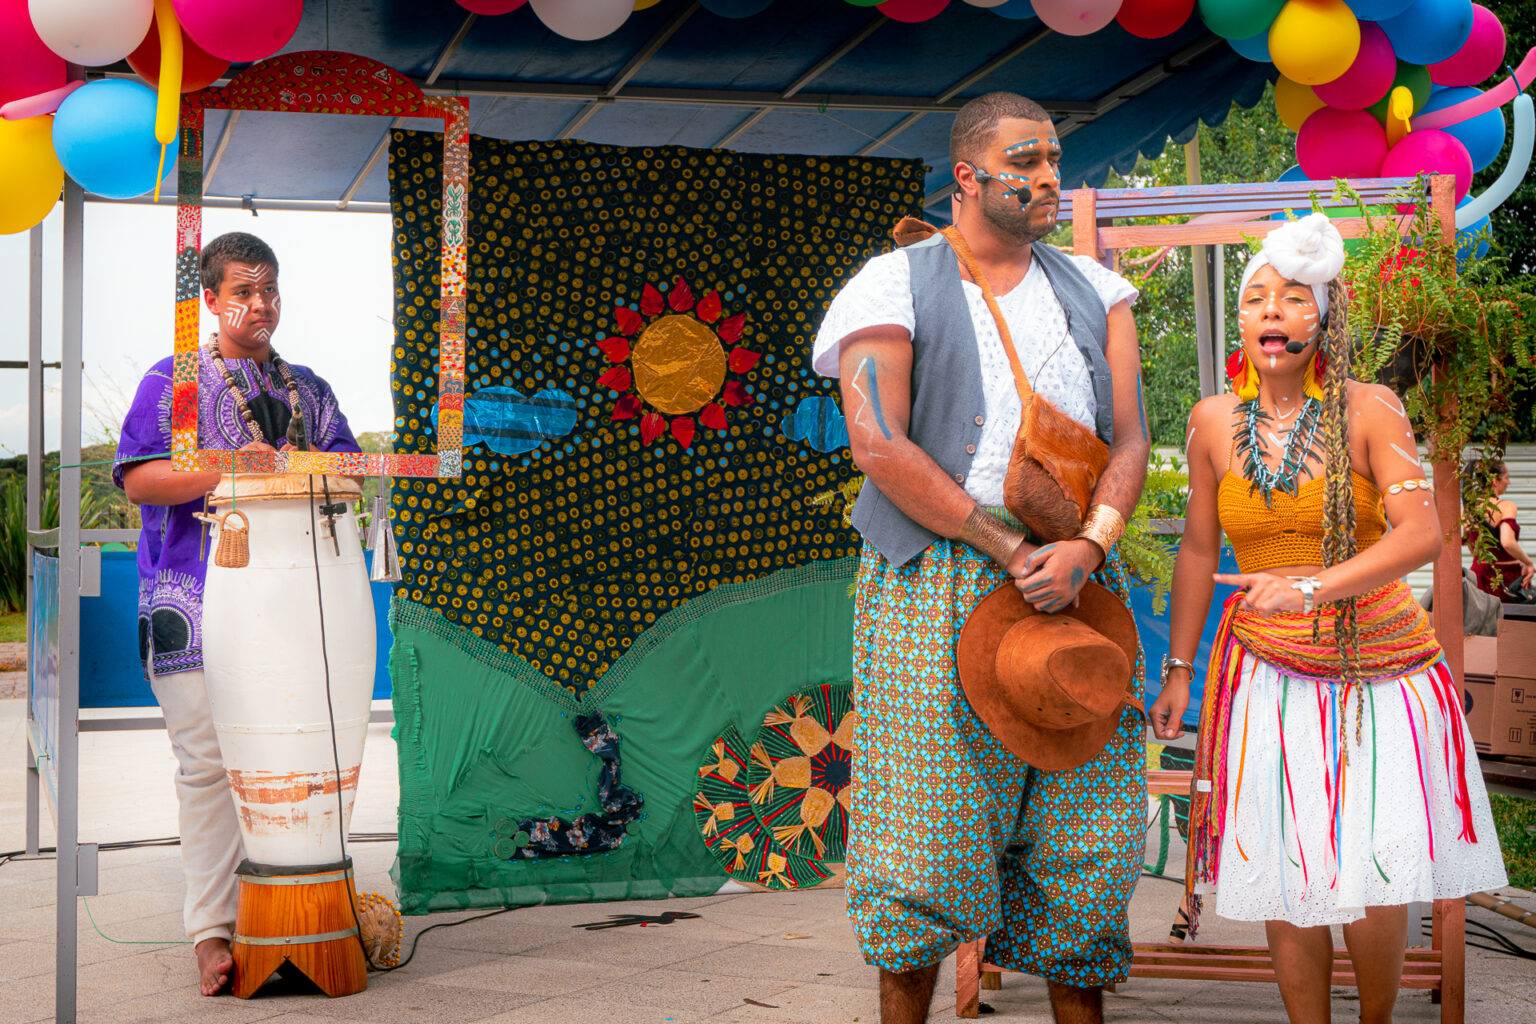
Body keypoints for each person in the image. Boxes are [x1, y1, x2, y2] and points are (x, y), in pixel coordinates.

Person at [813, 91, 1151, 1024]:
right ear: (967, 176)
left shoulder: (1100, 292)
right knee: (925, 840)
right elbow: (877, 443)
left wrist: (1089, 544)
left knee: (1086, 831)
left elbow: (1130, 439)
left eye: (1054, 160)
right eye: (1026, 163)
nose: (1048, 179)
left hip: (1080, 576)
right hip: (935, 578)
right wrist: (1005, 546)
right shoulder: (890, 285)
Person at [1151, 214, 1506, 1024]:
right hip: (1264, 677)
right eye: (1255, 298)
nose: (1269, 311)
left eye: (1290, 297)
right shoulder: (1211, 421)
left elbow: (1421, 534)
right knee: (1284, 871)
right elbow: (1198, 551)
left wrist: (1312, 588)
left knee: (1375, 867)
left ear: (1326, 314)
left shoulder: (1370, 408)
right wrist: (1178, 669)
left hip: (1377, 672)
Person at [114, 232, 361, 995]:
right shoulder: (173, 380)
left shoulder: (309, 389)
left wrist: (306, 467)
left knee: (297, 760)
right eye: (244, 292)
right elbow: (139, 479)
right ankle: (211, 932)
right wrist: (229, 467)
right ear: (211, 299)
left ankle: (299, 916)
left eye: (270, 290)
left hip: (296, 606)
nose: (261, 305)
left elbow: (351, 466)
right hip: (191, 601)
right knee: (207, 768)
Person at [1464, 457, 1534, 601]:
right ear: (1495, 481)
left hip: (1478, 577)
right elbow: (1507, 542)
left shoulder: (1466, 509)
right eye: (1507, 478)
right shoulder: (1506, 506)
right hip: (1506, 578)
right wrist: (1528, 563)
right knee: (1510, 615)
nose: (1509, 482)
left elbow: (1473, 547)